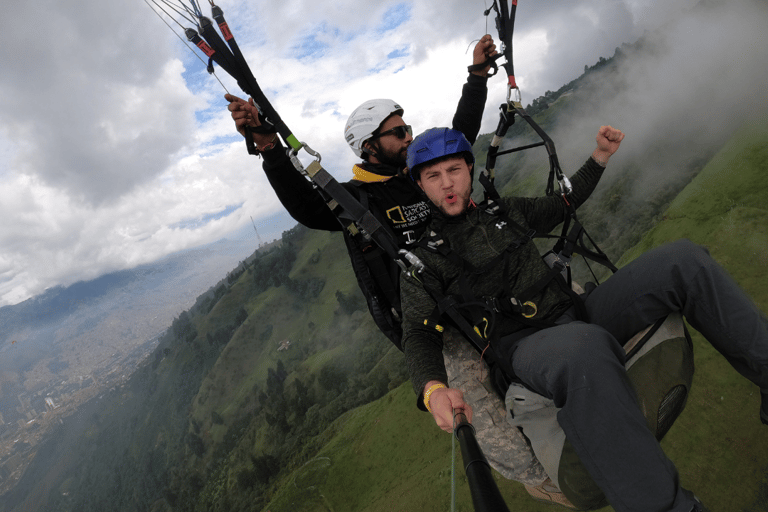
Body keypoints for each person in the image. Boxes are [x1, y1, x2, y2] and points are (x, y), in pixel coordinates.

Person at [399, 126, 768, 512]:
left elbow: (562, 204)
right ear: (421, 186)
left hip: (576, 313)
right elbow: (417, 333)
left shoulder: (506, 212)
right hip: (524, 347)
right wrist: (432, 390)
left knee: (684, 261)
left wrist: (600, 157)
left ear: (469, 171)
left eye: (454, 170)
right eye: (433, 177)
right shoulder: (424, 260)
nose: (447, 184)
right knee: (584, 349)